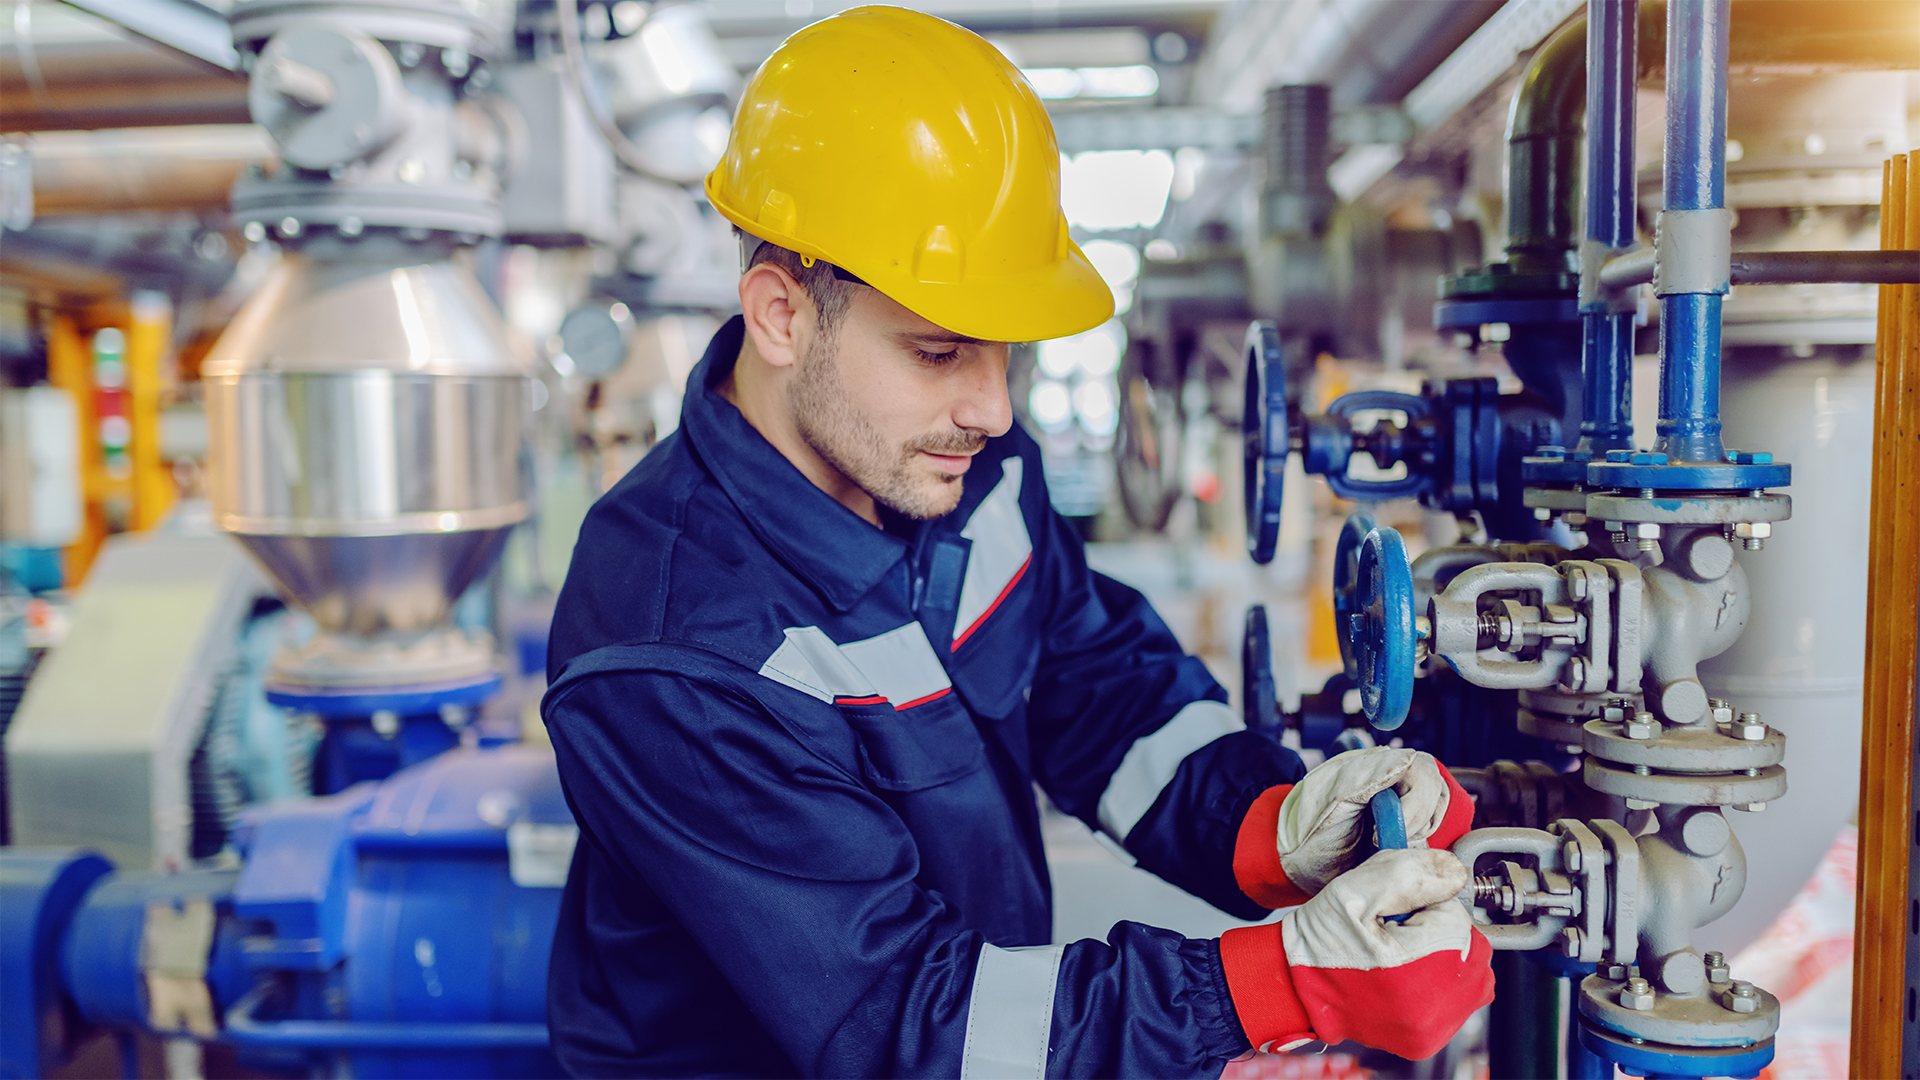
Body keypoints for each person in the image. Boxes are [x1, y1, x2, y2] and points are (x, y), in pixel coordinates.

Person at [541, 7, 1494, 1077]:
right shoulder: (676, 649)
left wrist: (1264, 823)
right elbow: (904, 1022)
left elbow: (1086, 683)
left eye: (1005, 352)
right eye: (940, 350)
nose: (993, 408)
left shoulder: (955, 460)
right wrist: (1272, 986)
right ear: (781, 315)